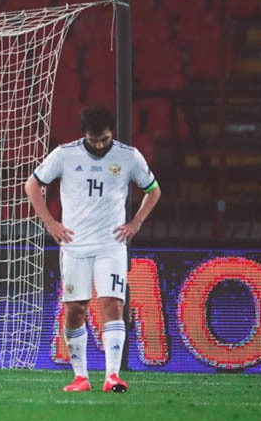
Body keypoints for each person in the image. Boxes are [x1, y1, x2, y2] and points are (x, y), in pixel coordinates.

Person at [25, 106, 161, 393]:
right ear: (84, 135)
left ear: (112, 133)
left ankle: (112, 376)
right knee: (75, 309)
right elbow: (32, 185)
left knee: (113, 304)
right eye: (93, 140)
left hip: (111, 244)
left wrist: (136, 222)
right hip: (75, 245)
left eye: (104, 140)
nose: (99, 146)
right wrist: (51, 223)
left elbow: (153, 190)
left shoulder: (128, 156)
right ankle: (81, 377)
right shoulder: (65, 154)